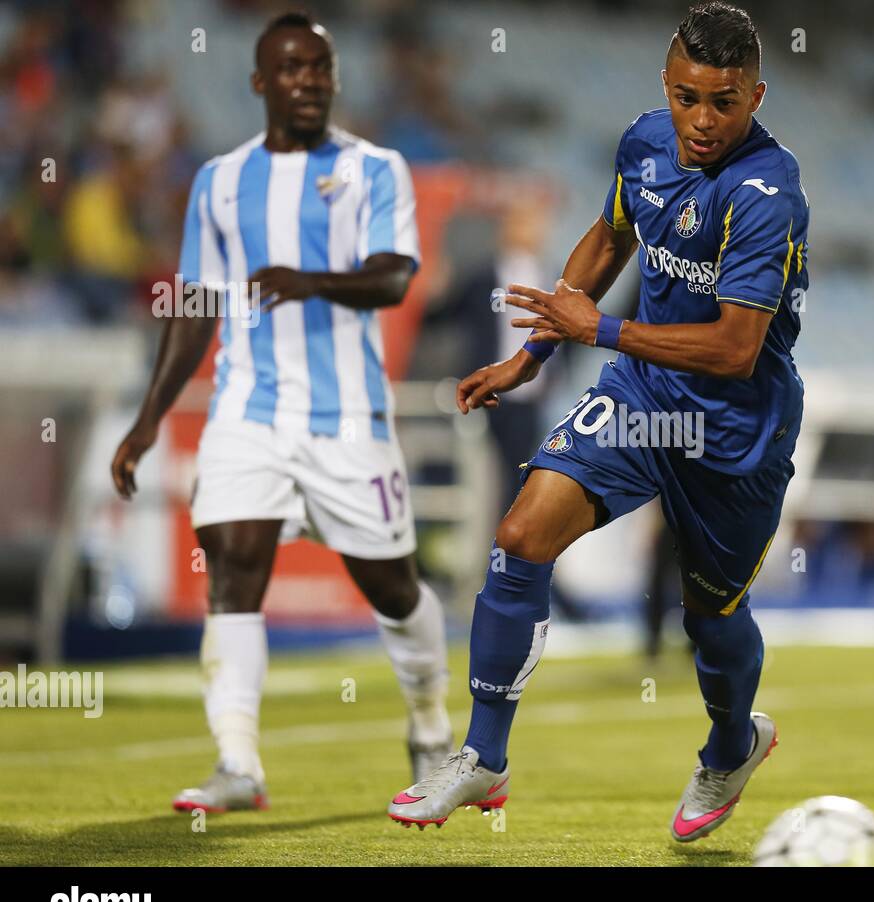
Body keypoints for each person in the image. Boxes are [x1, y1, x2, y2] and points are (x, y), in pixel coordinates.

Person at [387, 2, 810, 842]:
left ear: (755, 96)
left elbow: (733, 347)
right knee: (521, 535)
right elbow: (611, 235)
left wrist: (600, 329)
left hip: (735, 431)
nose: (701, 120)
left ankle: (732, 745)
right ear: (667, 84)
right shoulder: (647, 142)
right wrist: (533, 355)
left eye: (723, 102)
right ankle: (484, 757)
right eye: (687, 97)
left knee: (710, 615)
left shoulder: (768, 194)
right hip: (645, 397)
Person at [110, 12, 451, 813]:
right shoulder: (219, 181)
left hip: (347, 421)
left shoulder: (375, 169)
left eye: (321, 68)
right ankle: (238, 762)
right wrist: (149, 418)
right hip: (246, 410)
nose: (309, 82)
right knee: (231, 568)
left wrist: (311, 280)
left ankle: (432, 723)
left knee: (393, 589)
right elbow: (194, 305)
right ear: (262, 82)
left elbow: (395, 276)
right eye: (292, 69)